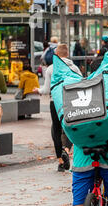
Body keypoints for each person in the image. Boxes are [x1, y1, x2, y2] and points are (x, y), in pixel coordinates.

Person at [33, 44, 76, 172]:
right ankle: (66, 149)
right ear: (67, 54)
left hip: (55, 102)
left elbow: (46, 90)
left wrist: (38, 90)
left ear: (56, 55)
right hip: (70, 101)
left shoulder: (51, 69)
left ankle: (60, 161)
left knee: (56, 129)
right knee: (69, 127)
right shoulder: (74, 68)